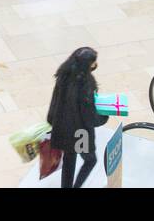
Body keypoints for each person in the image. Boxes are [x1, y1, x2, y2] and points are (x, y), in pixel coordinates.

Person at [46, 47, 108, 189]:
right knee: (90, 160)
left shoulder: (63, 75)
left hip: (63, 128)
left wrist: (51, 120)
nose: (95, 64)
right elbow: (88, 115)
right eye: (93, 62)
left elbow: (55, 101)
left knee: (69, 161)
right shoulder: (86, 84)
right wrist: (103, 117)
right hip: (81, 132)